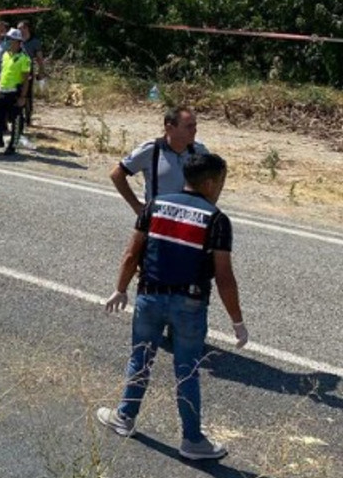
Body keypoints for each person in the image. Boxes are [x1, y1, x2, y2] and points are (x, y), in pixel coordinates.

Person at [99, 152, 248, 461]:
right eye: (221, 182)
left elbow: (131, 254)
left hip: (149, 297)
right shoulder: (217, 219)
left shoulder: (155, 206)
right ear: (209, 182)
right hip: (190, 304)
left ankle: (124, 417)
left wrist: (120, 289)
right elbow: (224, 276)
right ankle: (192, 440)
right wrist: (237, 321)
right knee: (187, 371)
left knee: (140, 359)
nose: (221, 188)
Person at [111, 107, 209, 216]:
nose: (194, 130)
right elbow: (117, 174)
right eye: (189, 126)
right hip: (158, 219)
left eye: (195, 125)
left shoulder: (199, 151)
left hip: (188, 221)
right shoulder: (151, 150)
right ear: (169, 128)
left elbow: (218, 173)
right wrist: (136, 206)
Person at [17, 20, 44, 127]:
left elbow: (39, 58)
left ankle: (28, 117)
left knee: (27, 94)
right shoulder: (17, 41)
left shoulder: (35, 42)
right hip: (16, 70)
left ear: (27, 28)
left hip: (28, 71)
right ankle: (18, 116)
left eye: (21, 28)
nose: (19, 30)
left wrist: (41, 71)